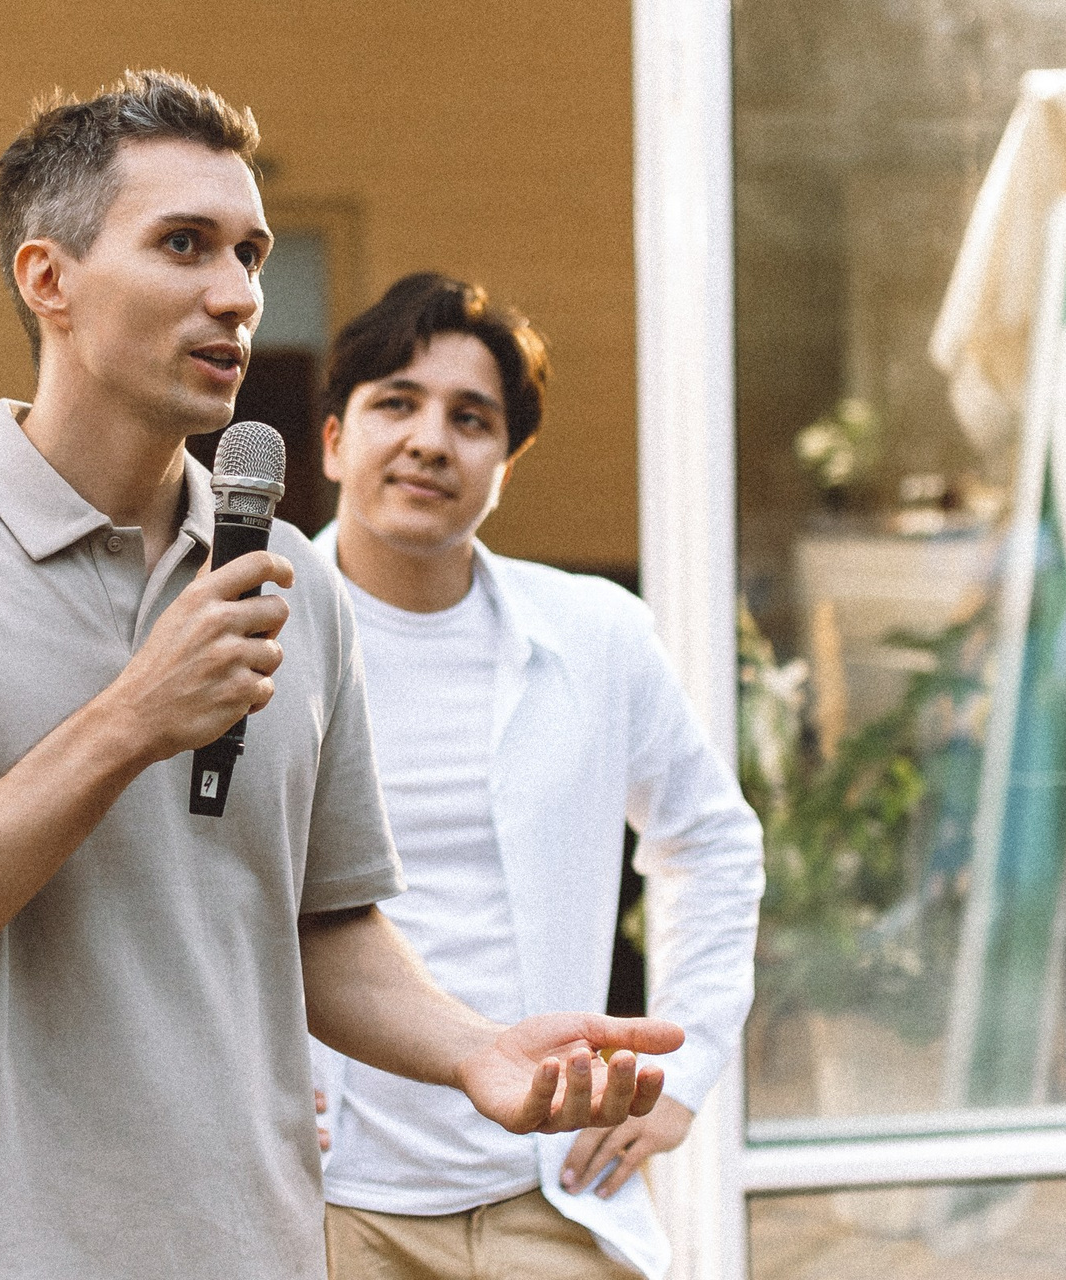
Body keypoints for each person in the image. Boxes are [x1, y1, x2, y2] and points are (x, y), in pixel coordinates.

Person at [0, 73, 685, 1280]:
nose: (239, 293)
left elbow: (323, 924)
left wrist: (472, 1050)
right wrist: (129, 721)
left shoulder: (291, 579)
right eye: (184, 244)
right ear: (48, 280)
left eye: (251, 252)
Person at [309, 273, 764, 1280]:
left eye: (471, 418)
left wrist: (686, 1069)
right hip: (326, 1202)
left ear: (506, 463)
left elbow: (712, 843)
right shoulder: (247, 631)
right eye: (397, 403)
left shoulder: (596, 634)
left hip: (550, 1196)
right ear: (335, 440)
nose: (431, 440)